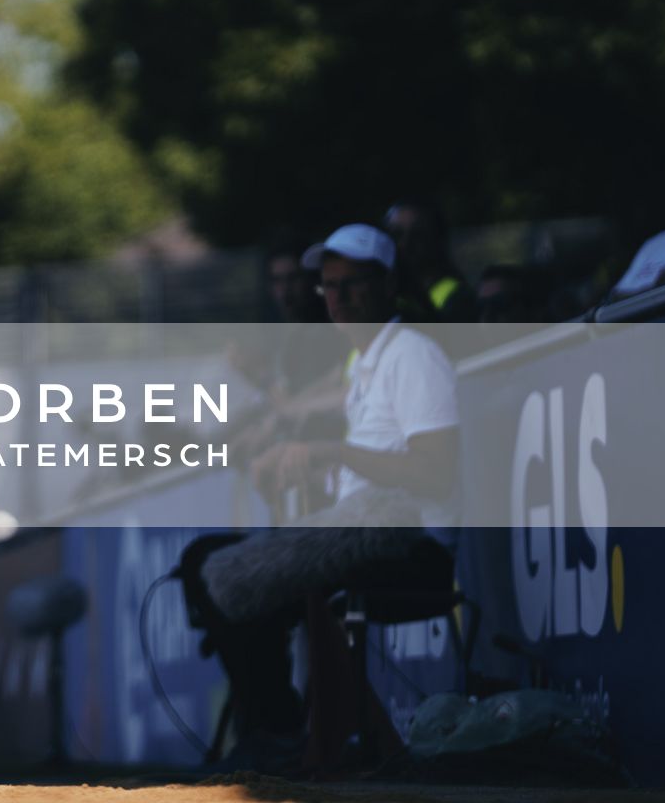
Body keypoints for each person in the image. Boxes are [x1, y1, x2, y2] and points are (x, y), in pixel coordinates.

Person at [178, 223, 461, 769]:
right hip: (367, 523)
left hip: (405, 540)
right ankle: (279, 730)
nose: (337, 298)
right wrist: (297, 465)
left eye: (353, 283)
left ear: (387, 284)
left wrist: (331, 453)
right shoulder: (370, 363)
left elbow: (435, 474)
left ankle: (278, 734)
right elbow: (355, 456)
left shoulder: (413, 356)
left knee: (225, 575)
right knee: (203, 561)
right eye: (329, 286)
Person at [384, 200, 477, 326]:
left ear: (436, 239)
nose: (405, 243)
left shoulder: (459, 299)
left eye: (418, 234)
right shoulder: (382, 295)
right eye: (396, 234)